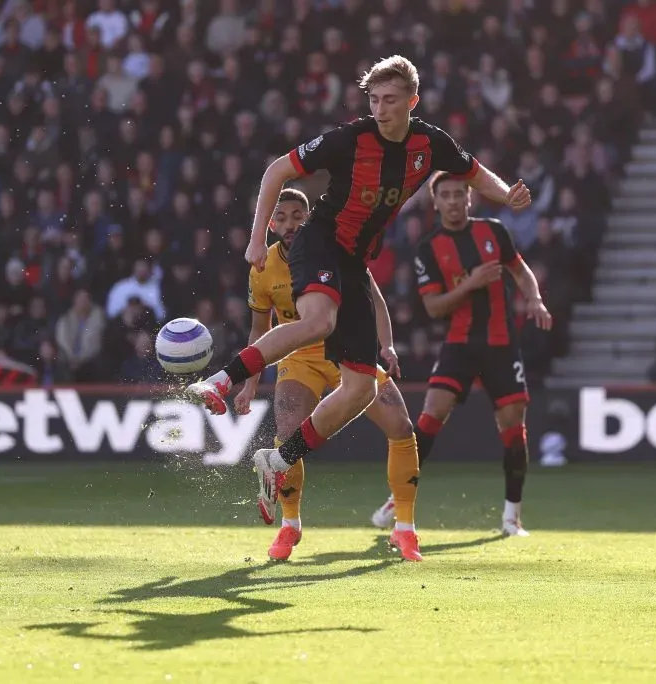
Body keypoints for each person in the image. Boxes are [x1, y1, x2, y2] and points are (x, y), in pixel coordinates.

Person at [185, 55, 532, 561]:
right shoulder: (350, 137)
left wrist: (507, 196)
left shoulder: (429, 143)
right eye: (374, 99)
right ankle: (222, 378)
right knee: (317, 320)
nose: (380, 108)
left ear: (413, 101)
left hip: (353, 261)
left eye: (390, 100)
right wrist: (257, 239)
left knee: (361, 388)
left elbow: (477, 173)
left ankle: (280, 460)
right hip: (320, 242)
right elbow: (277, 169)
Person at [233, 188, 421, 561]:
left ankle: (405, 530)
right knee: (287, 435)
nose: (290, 224)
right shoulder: (262, 269)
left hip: (347, 349)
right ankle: (290, 527)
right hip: (298, 358)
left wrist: (387, 345)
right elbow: (260, 330)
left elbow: (373, 296)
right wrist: (249, 383)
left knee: (401, 426)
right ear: (270, 224)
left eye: (298, 216)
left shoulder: (335, 248)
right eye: (282, 217)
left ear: (310, 218)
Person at [370, 172, 552, 537]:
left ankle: (511, 517)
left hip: (502, 344)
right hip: (460, 344)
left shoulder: (494, 232)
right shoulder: (429, 248)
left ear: (470, 197)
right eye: (446, 195)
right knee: (431, 414)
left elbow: (521, 270)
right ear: (435, 203)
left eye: (459, 194)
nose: (453, 200)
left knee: (514, 425)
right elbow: (434, 307)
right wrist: (471, 283)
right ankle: (399, 497)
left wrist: (534, 297)